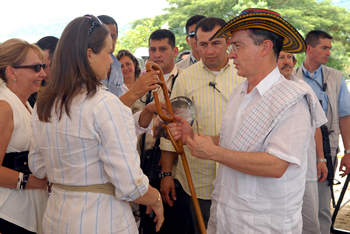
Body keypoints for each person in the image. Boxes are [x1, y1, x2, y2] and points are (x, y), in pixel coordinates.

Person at [167, 8, 317, 233]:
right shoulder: (240, 92)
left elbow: (277, 164)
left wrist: (214, 153)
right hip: (228, 216)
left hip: (264, 224)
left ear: (265, 47)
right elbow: (231, 141)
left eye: (237, 46)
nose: (232, 54)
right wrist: (194, 138)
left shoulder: (291, 99)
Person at [28, 15, 164, 233]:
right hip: (102, 219)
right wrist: (156, 199)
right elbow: (130, 182)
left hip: (56, 216)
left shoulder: (44, 103)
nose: (112, 61)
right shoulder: (104, 103)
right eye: (109, 53)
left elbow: (38, 165)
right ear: (89, 54)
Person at [160, 17, 244, 233]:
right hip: (198, 178)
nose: (209, 51)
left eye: (216, 43)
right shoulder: (185, 79)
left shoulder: (244, 75)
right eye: (203, 44)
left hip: (239, 174)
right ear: (194, 44)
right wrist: (166, 174)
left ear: (228, 42)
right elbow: (174, 129)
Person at [293, 30, 350, 234]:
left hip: (328, 147)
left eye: (329, 49)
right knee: (296, 200)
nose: (328, 53)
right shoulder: (291, 76)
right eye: (324, 48)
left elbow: (345, 116)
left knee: (323, 203)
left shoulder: (336, 77)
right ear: (309, 48)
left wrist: (348, 153)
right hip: (297, 147)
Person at [0, 38, 48, 234]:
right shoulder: (4, 108)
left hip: (27, 209)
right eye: (36, 67)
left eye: (43, 67)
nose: (43, 74)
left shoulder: (26, 104)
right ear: (11, 72)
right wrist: (35, 183)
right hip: (9, 213)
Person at [278, 51, 328, 234]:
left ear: (295, 61)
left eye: (289, 57)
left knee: (310, 223)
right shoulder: (266, 88)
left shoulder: (304, 88)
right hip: (277, 169)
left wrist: (321, 159)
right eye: (281, 57)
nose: (286, 62)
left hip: (305, 166)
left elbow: (315, 126)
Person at [139, 28, 182, 234]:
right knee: (148, 225)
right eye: (152, 49)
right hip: (143, 165)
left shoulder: (185, 79)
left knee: (172, 223)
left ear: (175, 51)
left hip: (172, 167)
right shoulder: (141, 84)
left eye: (163, 49)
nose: (156, 55)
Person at [98, 15, 158, 108]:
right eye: (105, 36)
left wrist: (146, 112)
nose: (110, 41)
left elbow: (120, 107)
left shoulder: (116, 67)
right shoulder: (87, 69)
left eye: (113, 36)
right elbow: (103, 110)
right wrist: (135, 91)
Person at [28, 36, 59, 107]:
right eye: (37, 67)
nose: (42, 73)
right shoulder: (32, 84)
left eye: (45, 67)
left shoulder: (73, 88)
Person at [116, 49, 144, 114]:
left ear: (134, 64)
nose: (125, 68)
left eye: (128, 64)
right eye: (122, 66)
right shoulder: (115, 88)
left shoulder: (143, 82)